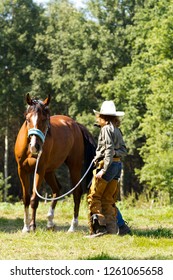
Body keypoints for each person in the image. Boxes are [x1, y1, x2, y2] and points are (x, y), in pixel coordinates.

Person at [87, 100, 130, 237]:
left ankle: (99, 229)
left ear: (102, 117)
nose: (97, 119)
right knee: (108, 199)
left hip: (108, 166)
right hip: (117, 166)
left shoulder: (105, 129)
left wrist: (103, 169)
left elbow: (109, 150)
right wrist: (111, 156)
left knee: (94, 197)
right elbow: (123, 150)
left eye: (98, 116)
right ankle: (112, 230)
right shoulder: (117, 129)